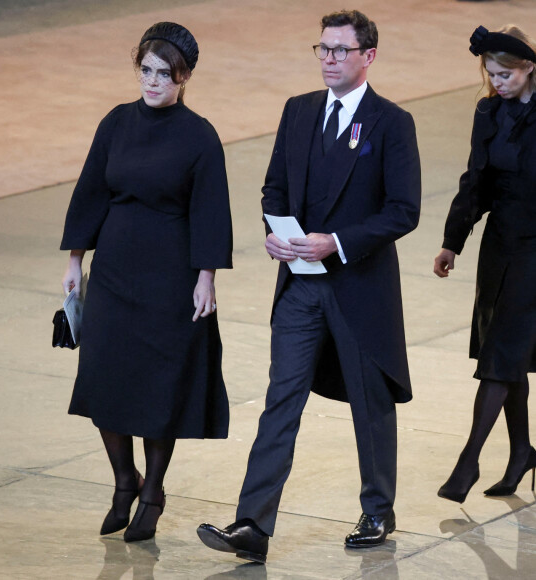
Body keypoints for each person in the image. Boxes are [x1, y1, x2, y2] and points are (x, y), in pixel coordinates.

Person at [197, 9, 421, 561]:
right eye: (322, 49)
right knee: (281, 400)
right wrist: (275, 233)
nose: (329, 59)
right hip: (299, 284)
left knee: (370, 405)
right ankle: (253, 524)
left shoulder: (392, 122)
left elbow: (403, 210)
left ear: (368, 56)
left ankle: (377, 510)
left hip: (360, 289)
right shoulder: (297, 112)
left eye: (340, 50)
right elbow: (274, 188)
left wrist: (336, 242)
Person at [60, 22, 233, 542]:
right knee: (101, 377)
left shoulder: (200, 136)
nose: (152, 82)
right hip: (113, 270)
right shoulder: (115, 123)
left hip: (171, 277)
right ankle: (123, 481)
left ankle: (152, 492)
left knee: (161, 389)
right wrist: (75, 262)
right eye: (146, 71)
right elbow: (90, 190)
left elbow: (210, 212)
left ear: (183, 78)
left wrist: (206, 278)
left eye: (164, 74)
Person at [435, 24, 536, 503]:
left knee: (501, 354)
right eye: (491, 74)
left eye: (506, 75)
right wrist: (452, 240)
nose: (498, 82)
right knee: (507, 352)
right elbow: (475, 180)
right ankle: (521, 452)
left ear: (529, 68)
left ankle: (468, 461)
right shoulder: (488, 111)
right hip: (499, 246)